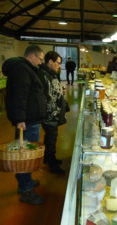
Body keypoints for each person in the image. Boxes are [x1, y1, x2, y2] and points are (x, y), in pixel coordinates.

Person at [2, 45, 46, 205]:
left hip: (31, 120)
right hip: (26, 122)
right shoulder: (22, 70)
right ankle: (26, 189)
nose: (41, 63)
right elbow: (18, 96)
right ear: (32, 56)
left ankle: (26, 180)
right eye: (40, 59)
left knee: (28, 154)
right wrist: (20, 119)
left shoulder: (28, 69)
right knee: (24, 155)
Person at [39, 51, 69, 175]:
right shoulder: (43, 74)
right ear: (50, 62)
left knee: (52, 137)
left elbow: (53, 88)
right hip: (49, 113)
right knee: (51, 138)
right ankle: (52, 165)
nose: (59, 65)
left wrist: (60, 91)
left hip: (54, 112)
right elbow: (45, 94)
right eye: (57, 63)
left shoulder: (52, 73)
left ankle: (49, 159)